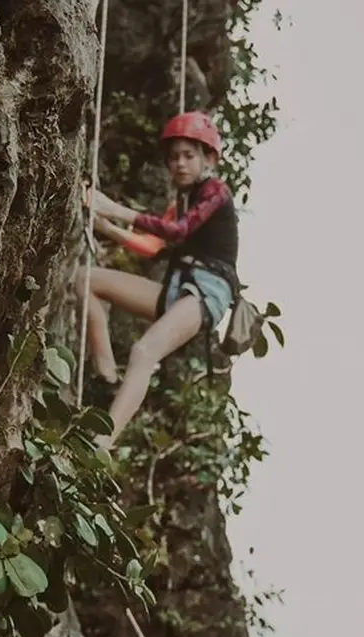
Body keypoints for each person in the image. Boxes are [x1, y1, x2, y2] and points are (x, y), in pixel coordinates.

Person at [78, 111, 239, 449]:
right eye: (173, 157)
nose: (179, 163)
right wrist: (103, 224)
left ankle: (101, 444)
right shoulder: (181, 202)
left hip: (207, 293)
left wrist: (114, 210)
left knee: (144, 350)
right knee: (84, 280)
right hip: (179, 288)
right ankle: (107, 379)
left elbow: (179, 232)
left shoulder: (215, 192)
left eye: (189, 155)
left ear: (209, 157)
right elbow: (152, 246)